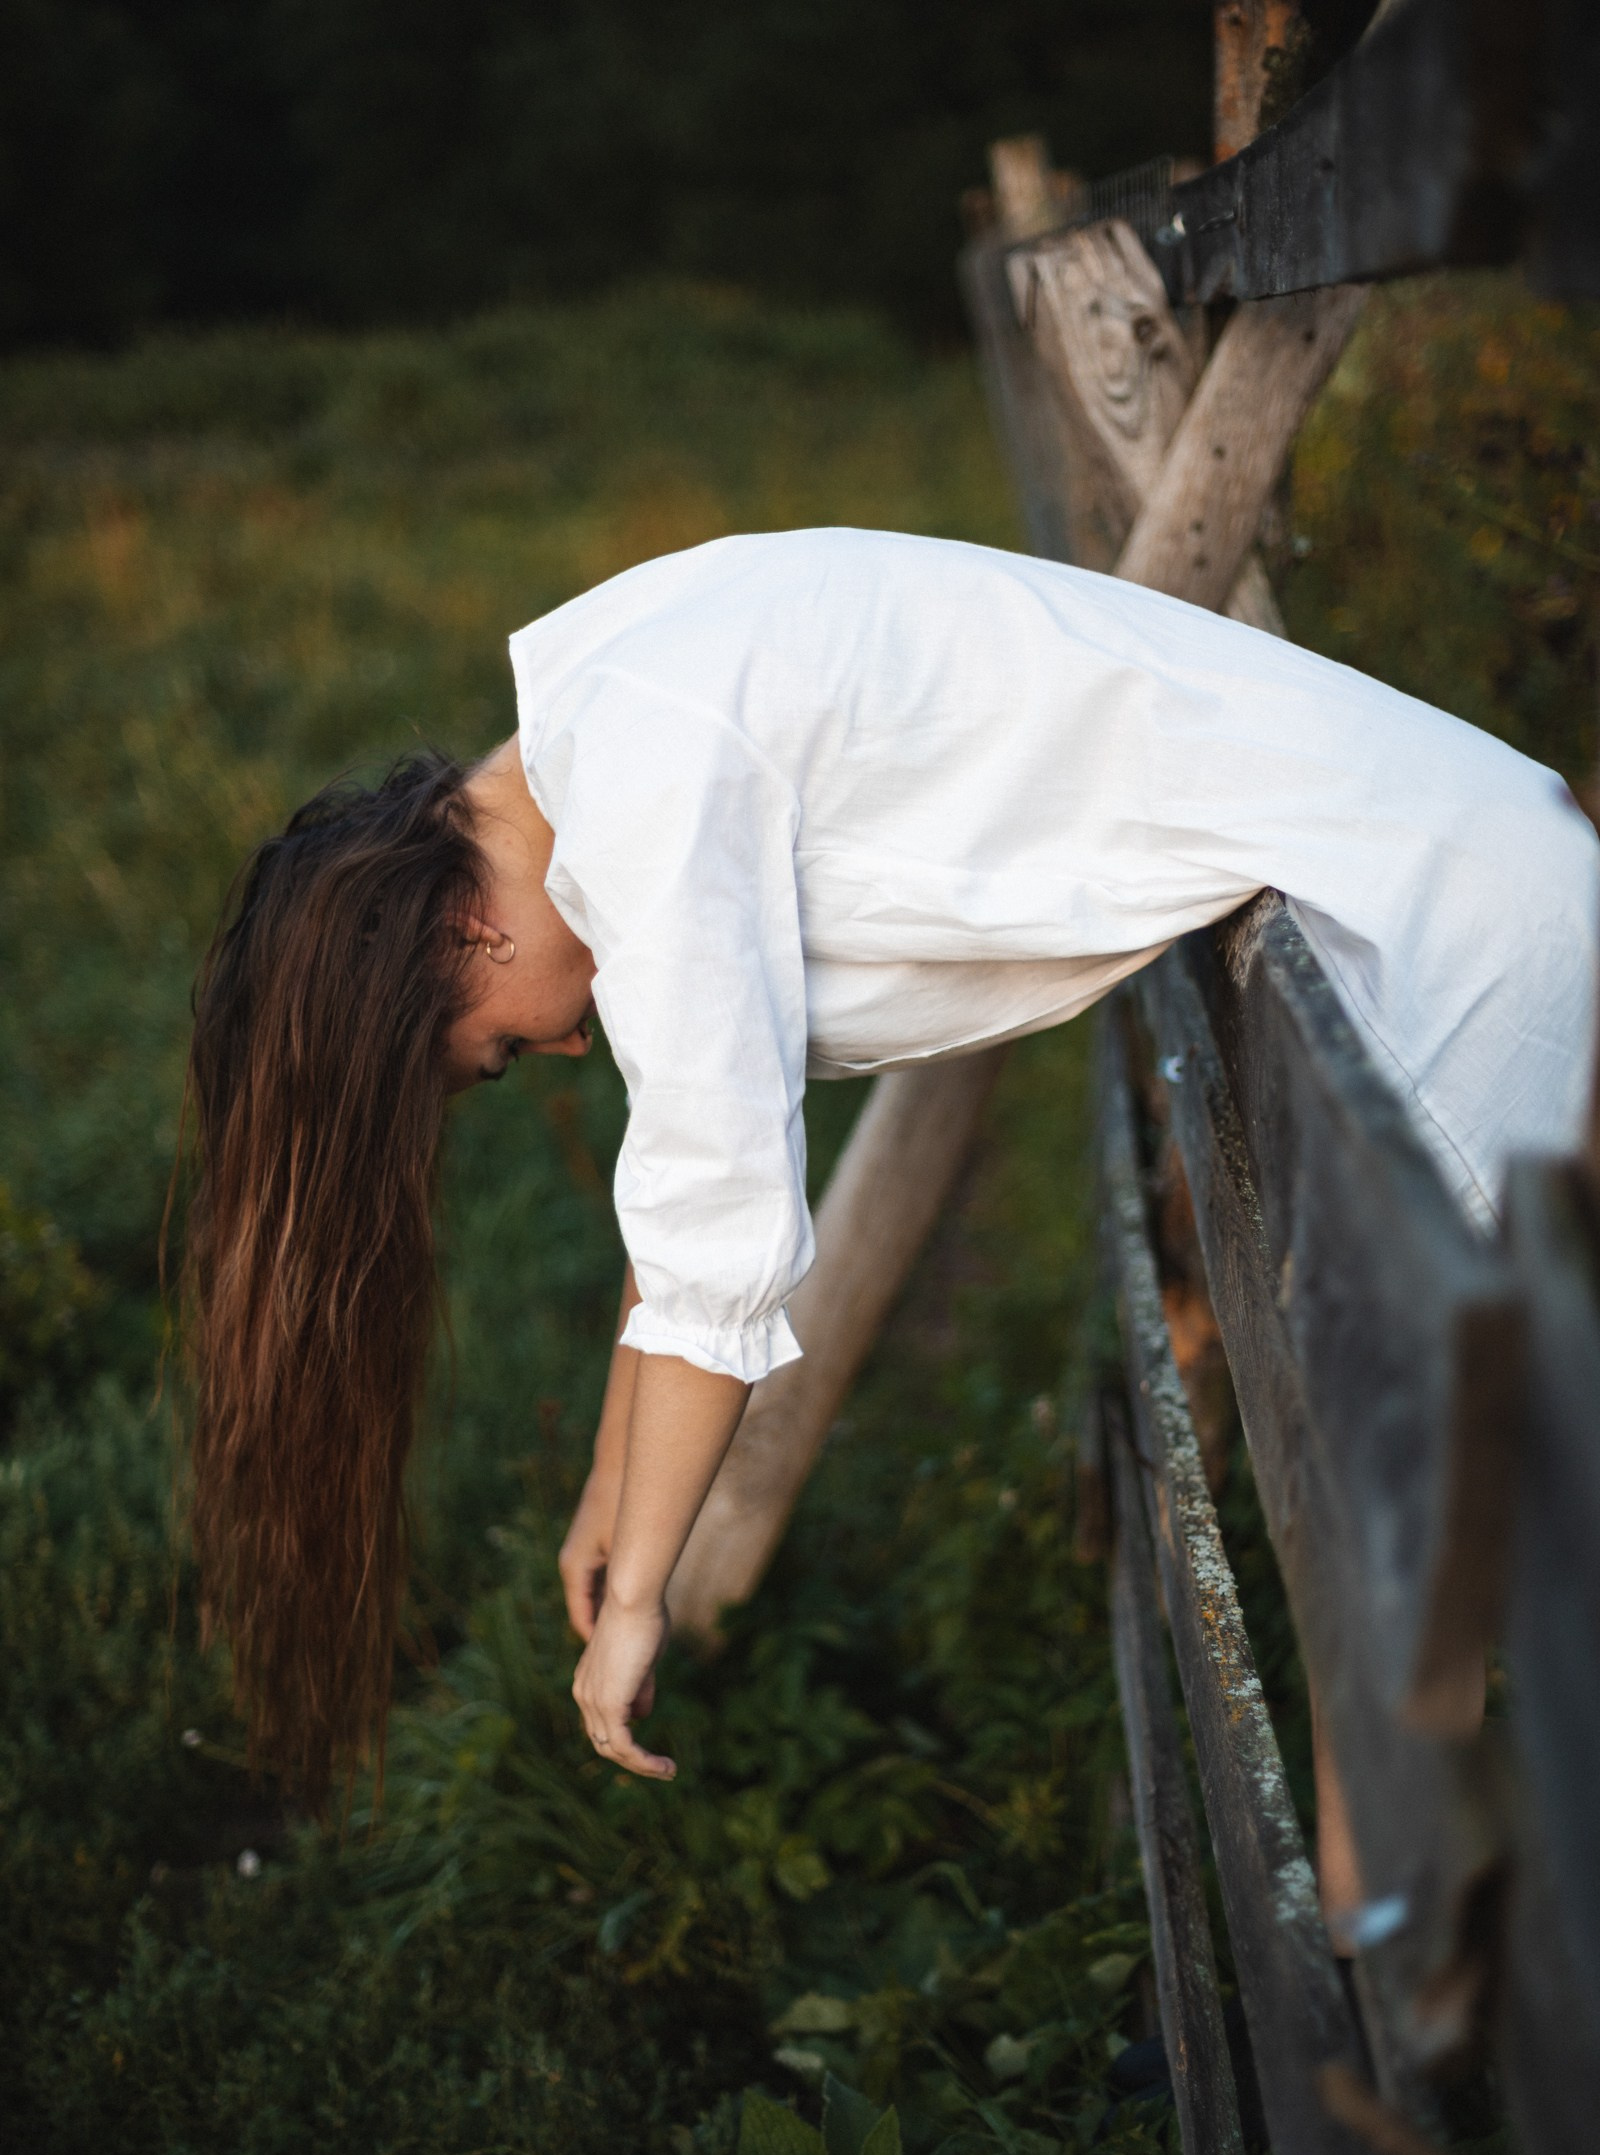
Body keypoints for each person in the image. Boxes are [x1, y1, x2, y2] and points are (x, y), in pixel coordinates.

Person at [181, 527, 1600, 1812]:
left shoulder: (645, 787)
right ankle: (1379, 2017)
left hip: (1443, 927)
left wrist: (637, 1608)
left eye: (493, 1053)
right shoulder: (605, 719)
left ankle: (1384, 2051)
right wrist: (613, 1494)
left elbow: (718, 1226)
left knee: (1414, 1561)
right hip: (1422, 879)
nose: (554, 1055)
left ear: (458, 942)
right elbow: (685, 1174)